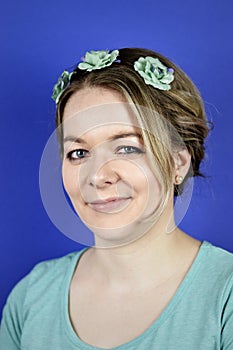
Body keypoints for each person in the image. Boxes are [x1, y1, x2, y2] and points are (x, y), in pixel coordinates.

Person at [0, 47, 233, 350]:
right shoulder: (31, 296)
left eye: (127, 148)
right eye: (78, 153)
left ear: (178, 163)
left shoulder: (225, 295)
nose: (97, 176)